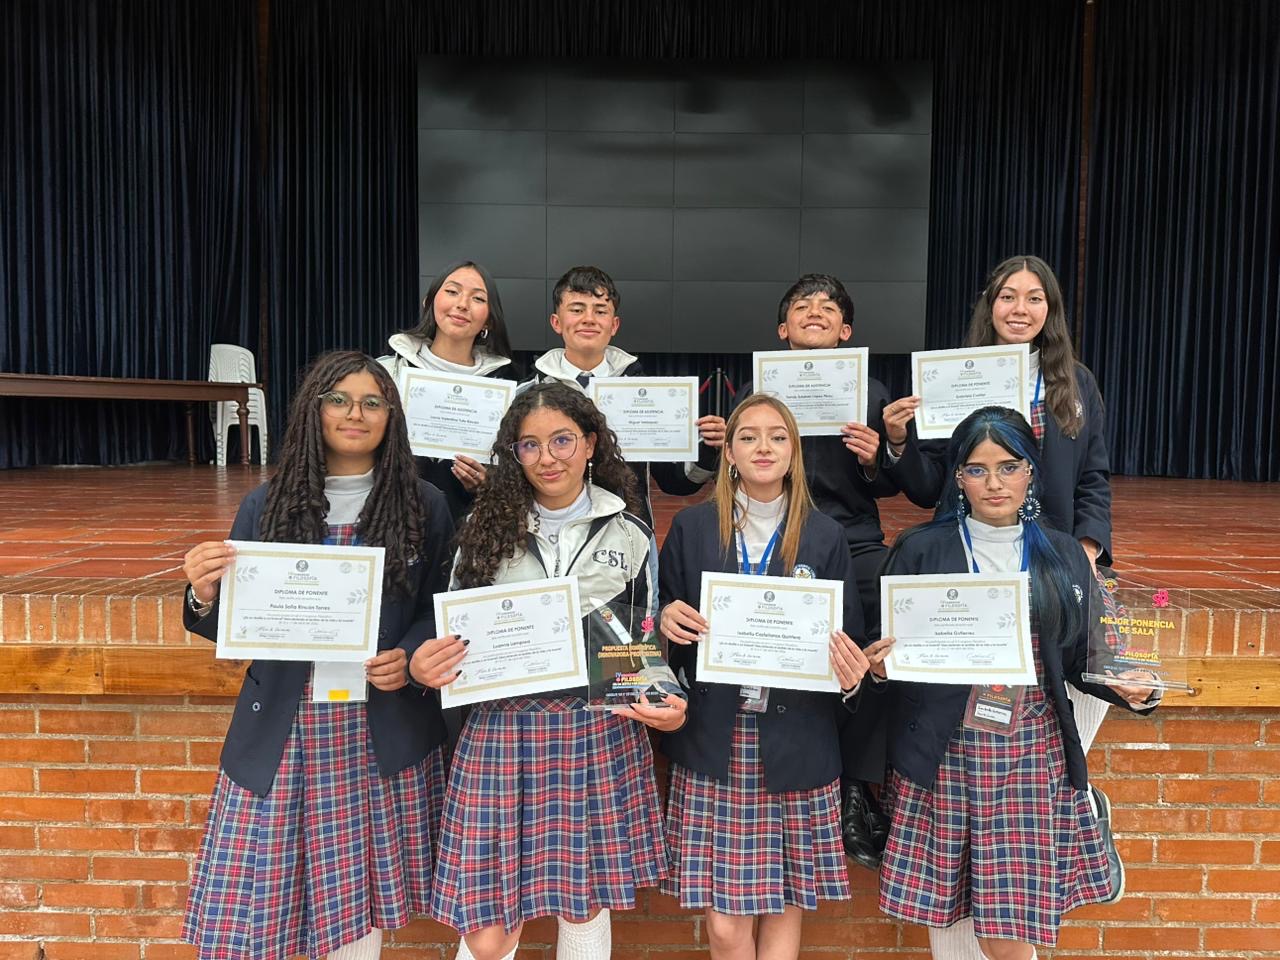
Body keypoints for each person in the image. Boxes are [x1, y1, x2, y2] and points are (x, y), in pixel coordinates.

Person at [878, 256, 1118, 958]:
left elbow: (1096, 473)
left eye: (1034, 297)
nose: (1020, 308)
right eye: (1008, 296)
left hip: (1052, 558)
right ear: (990, 305)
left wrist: (1087, 552)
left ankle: (1077, 803)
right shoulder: (953, 379)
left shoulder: (1076, 384)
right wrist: (897, 442)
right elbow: (928, 485)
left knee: (1068, 685)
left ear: (1051, 309)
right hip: (967, 582)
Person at [180, 351, 456, 960]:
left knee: (357, 912)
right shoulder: (267, 503)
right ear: (314, 410)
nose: (354, 414)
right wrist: (204, 593)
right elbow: (238, 621)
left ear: (391, 417)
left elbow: (438, 606)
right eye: (339, 399)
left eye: (372, 402)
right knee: (260, 908)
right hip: (285, 727)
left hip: (375, 728)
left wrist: (408, 656)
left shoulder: (424, 505)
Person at [412, 381, 687, 960]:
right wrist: (439, 664)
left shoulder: (629, 531)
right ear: (513, 456)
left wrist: (663, 696)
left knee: (582, 903)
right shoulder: (483, 531)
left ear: (590, 443)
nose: (548, 457)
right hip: (501, 730)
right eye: (529, 445)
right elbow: (459, 635)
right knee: (487, 931)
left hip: (595, 727)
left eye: (562, 439)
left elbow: (636, 641)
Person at [874, 406, 1157, 959]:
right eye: (977, 470)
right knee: (948, 920)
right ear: (957, 476)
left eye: (1009, 466)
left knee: (1008, 935)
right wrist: (880, 665)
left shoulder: (1063, 554)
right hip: (944, 749)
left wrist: (1129, 686)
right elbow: (884, 651)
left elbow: (1086, 658)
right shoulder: (919, 549)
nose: (994, 482)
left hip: (1029, 752)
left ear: (1032, 470)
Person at [656, 393, 886, 960]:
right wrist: (663, 617)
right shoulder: (691, 526)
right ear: (728, 452)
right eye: (750, 436)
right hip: (716, 736)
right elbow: (654, 617)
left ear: (794, 452)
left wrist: (854, 673)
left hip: (797, 738)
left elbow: (846, 643)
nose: (764, 446)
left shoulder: (826, 535)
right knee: (728, 927)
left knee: (784, 901)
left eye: (778, 436)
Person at [523, 264, 724, 527]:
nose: (589, 318)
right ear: (556, 322)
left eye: (601, 310)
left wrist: (707, 450)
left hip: (628, 532)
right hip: (545, 532)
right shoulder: (529, 393)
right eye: (576, 309)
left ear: (614, 324)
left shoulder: (647, 394)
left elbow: (676, 482)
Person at [378, 259, 517, 521]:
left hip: (468, 525)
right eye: (452, 292)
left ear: (489, 320)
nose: (462, 304)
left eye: (477, 298)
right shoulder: (387, 372)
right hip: (393, 517)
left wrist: (488, 483)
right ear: (429, 302)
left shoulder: (507, 386)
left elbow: (516, 465)